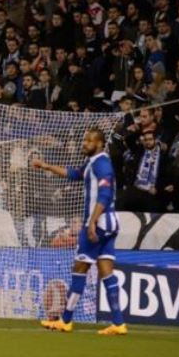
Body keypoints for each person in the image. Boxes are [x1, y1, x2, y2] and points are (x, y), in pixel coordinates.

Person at [31, 128, 127, 335]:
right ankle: (118, 323)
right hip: (110, 222)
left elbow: (105, 194)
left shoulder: (102, 163)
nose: (84, 143)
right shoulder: (93, 163)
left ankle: (66, 320)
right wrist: (46, 166)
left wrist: (92, 222)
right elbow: (74, 174)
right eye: (84, 140)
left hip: (98, 223)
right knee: (106, 270)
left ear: (100, 144)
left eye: (89, 140)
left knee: (80, 268)